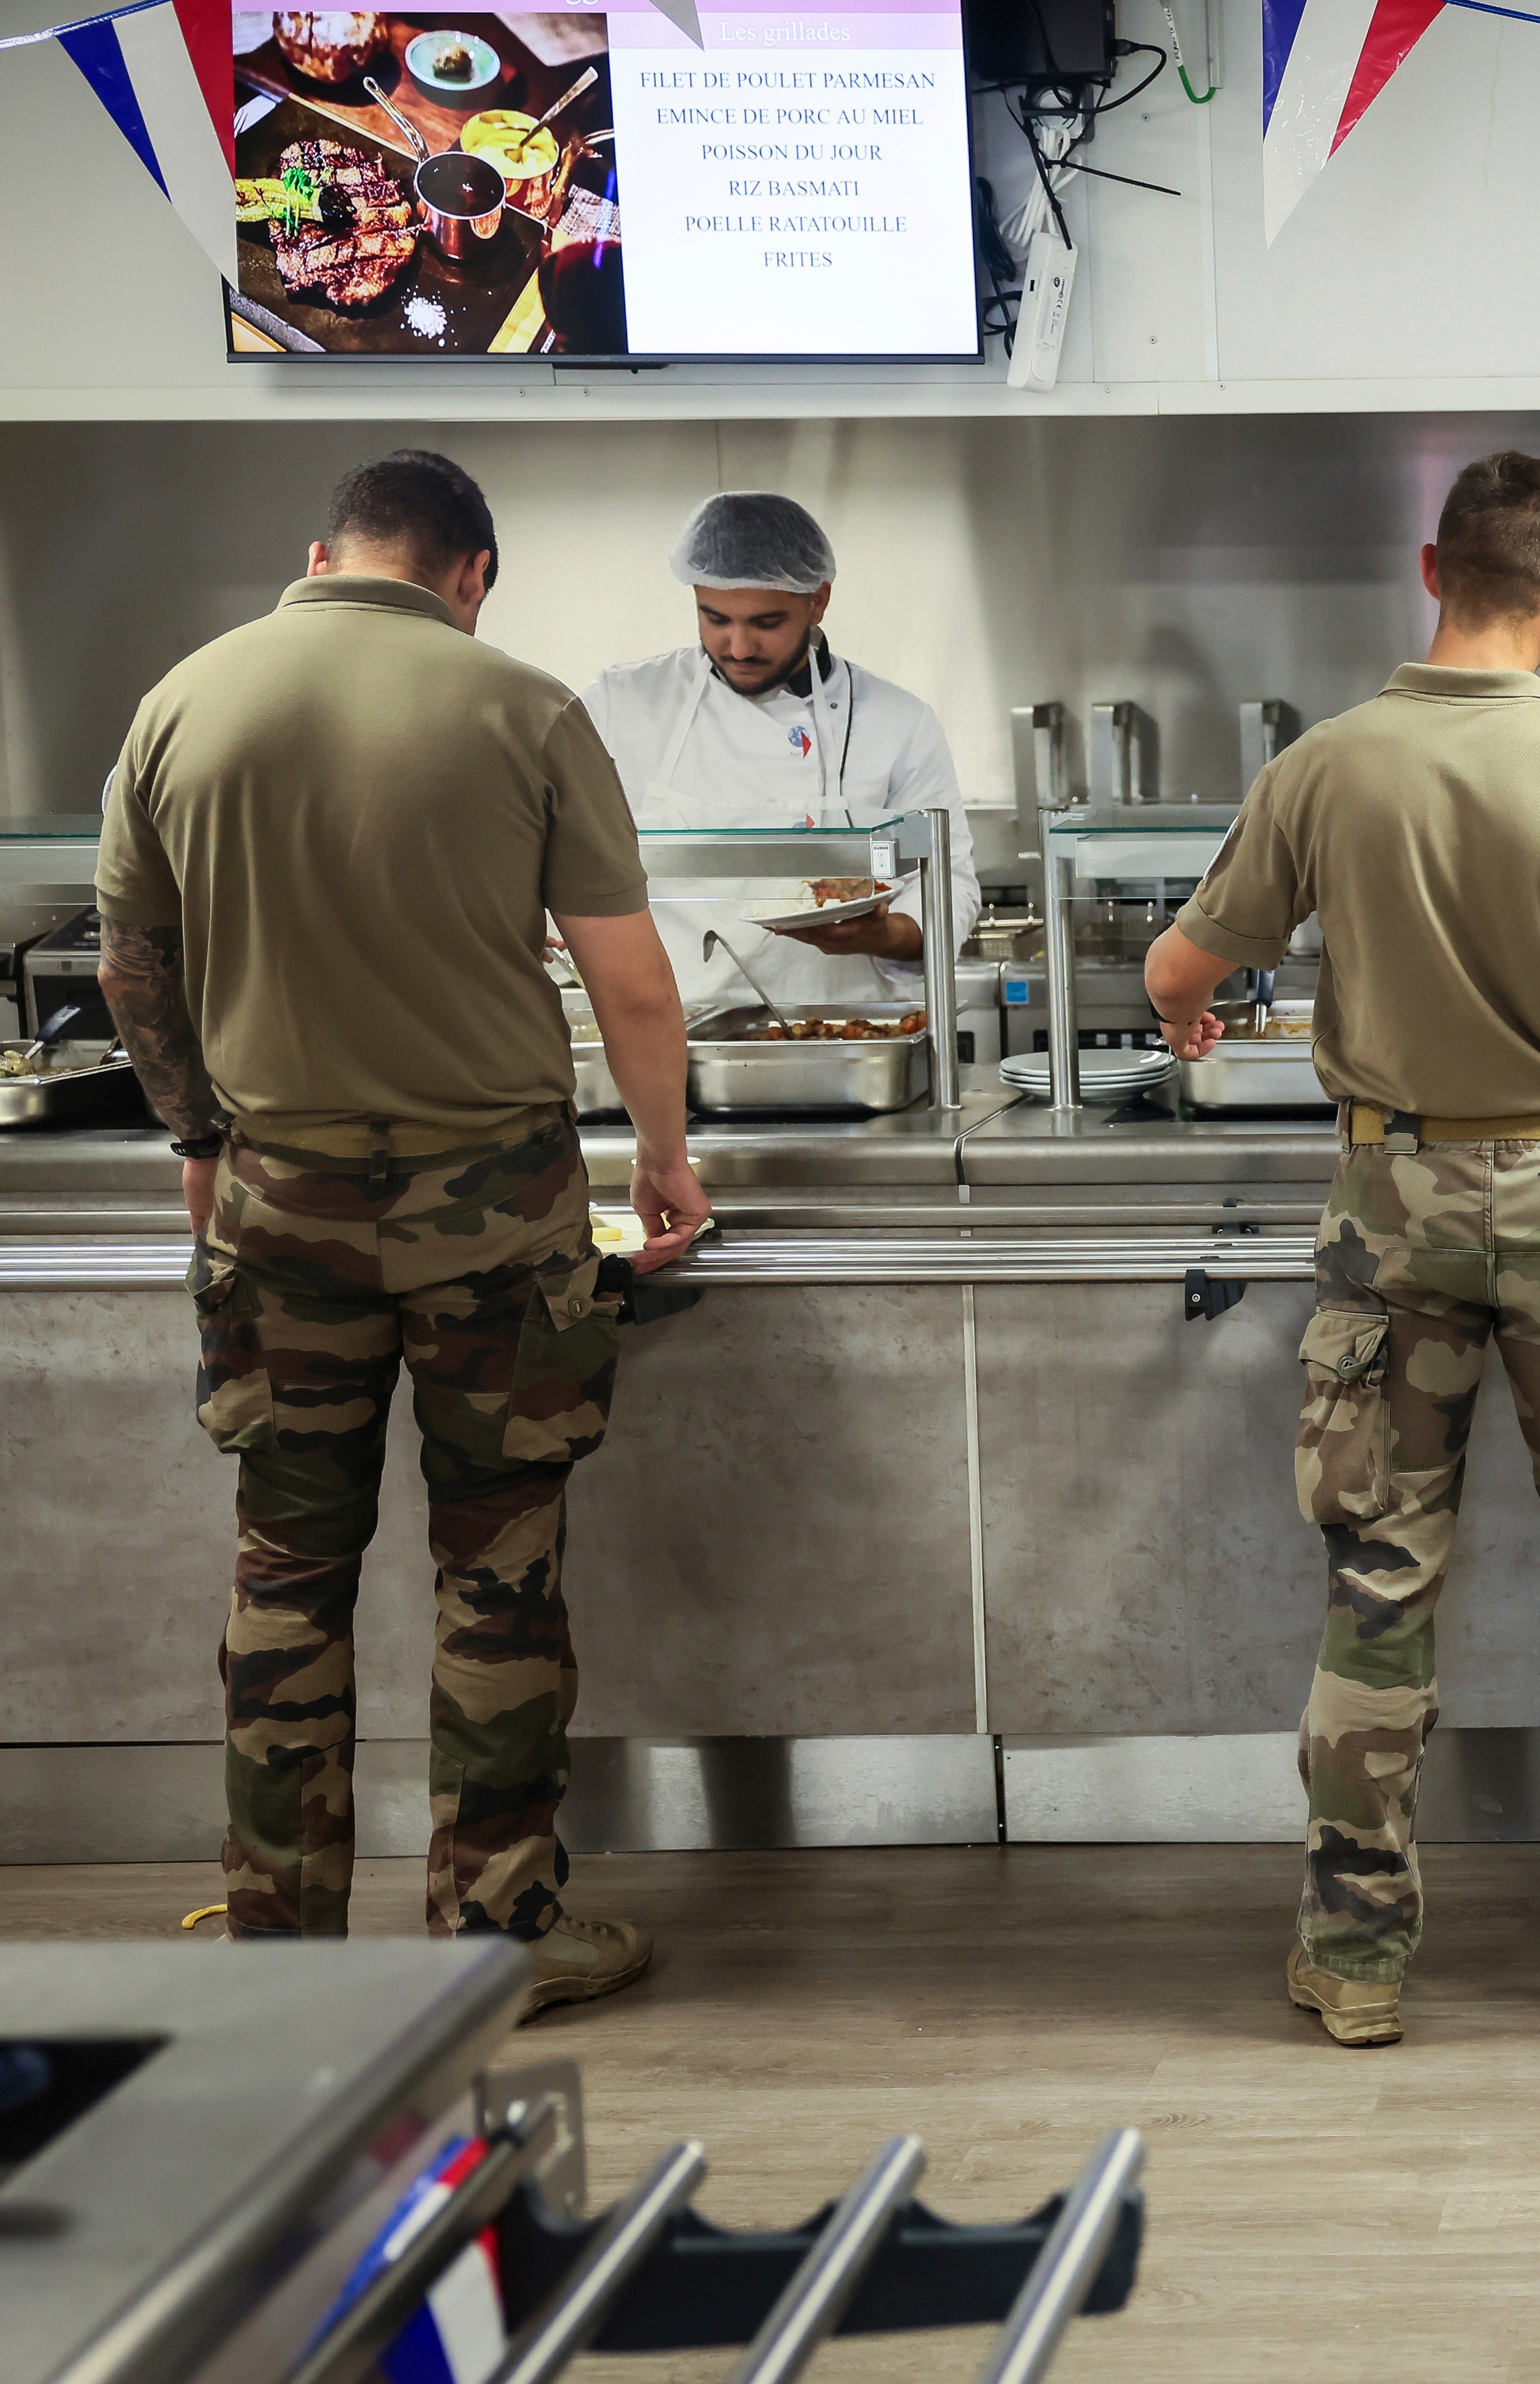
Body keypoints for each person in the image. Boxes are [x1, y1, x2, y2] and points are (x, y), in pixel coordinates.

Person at [1141, 452, 1540, 2051]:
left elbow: (1178, 960)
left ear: (1432, 565)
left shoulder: (1326, 765)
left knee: (1378, 1583)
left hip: (1395, 1206)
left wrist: (1186, 1009)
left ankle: (1354, 1956)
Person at [97, 448, 710, 2012]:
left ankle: (277, 1945)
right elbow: (631, 980)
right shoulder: (523, 707)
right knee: (495, 1567)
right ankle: (501, 1932)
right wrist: (660, 1159)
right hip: (492, 1214)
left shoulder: (182, 703)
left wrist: (197, 1137)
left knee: (287, 1564)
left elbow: (133, 970)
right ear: (471, 573)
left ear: (323, 554)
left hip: (276, 1199)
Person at [579, 492, 979, 1019]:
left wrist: (887, 935)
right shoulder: (621, 705)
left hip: (842, 1037)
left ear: (818, 601)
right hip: (671, 1037)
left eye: (766, 623)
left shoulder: (894, 725)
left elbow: (943, 879)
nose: (739, 646)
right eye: (715, 618)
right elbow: (551, 844)